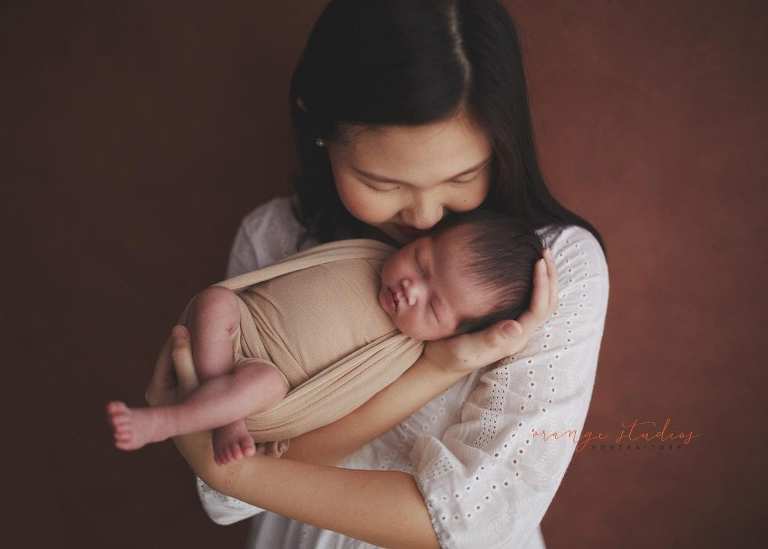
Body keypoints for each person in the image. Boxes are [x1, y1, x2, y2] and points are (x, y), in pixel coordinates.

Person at [144, 1, 610, 547]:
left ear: (501, 144)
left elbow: (475, 521)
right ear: (321, 134)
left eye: (464, 175)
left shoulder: (547, 274)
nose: (425, 216)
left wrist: (236, 471)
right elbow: (230, 493)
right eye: (383, 183)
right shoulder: (276, 239)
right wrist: (236, 472)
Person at [109, 210, 543, 466]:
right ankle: (220, 408)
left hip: (266, 377)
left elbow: (337, 404)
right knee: (215, 300)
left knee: (263, 385)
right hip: (242, 324)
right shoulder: (366, 252)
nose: (413, 288)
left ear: (453, 332)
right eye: (421, 262)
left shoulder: (401, 354)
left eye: (433, 307)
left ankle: (171, 422)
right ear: (417, 238)